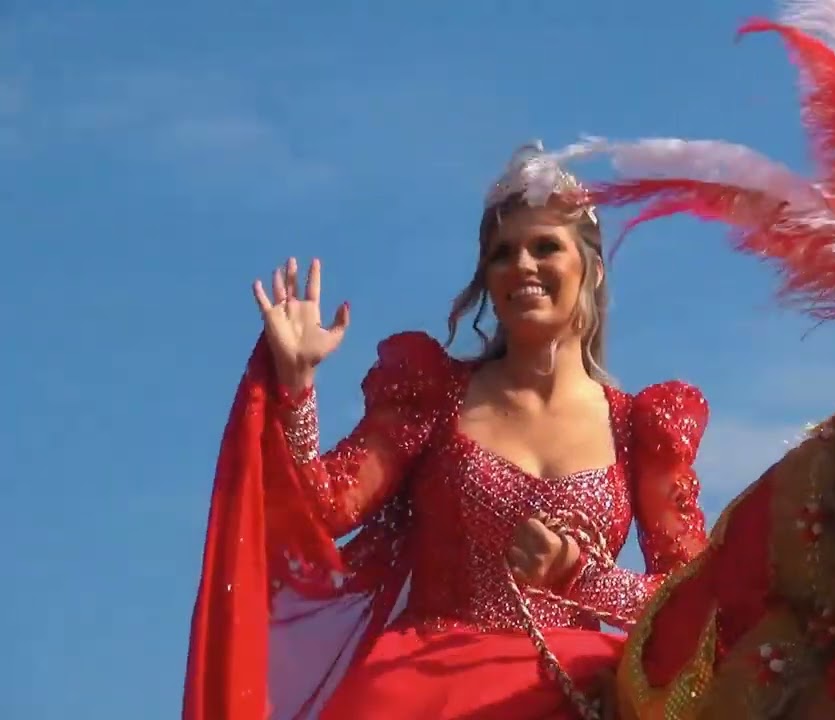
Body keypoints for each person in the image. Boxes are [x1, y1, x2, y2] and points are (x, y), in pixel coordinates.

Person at [182, 144, 712, 720]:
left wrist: (581, 578)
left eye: (546, 247)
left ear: (593, 268)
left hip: (581, 692)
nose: (524, 266)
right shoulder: (432, 394)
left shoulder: (640, 427)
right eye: (503, 253)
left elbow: (696, 599)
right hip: (427, 689)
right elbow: (326, 506)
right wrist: (297, 385)